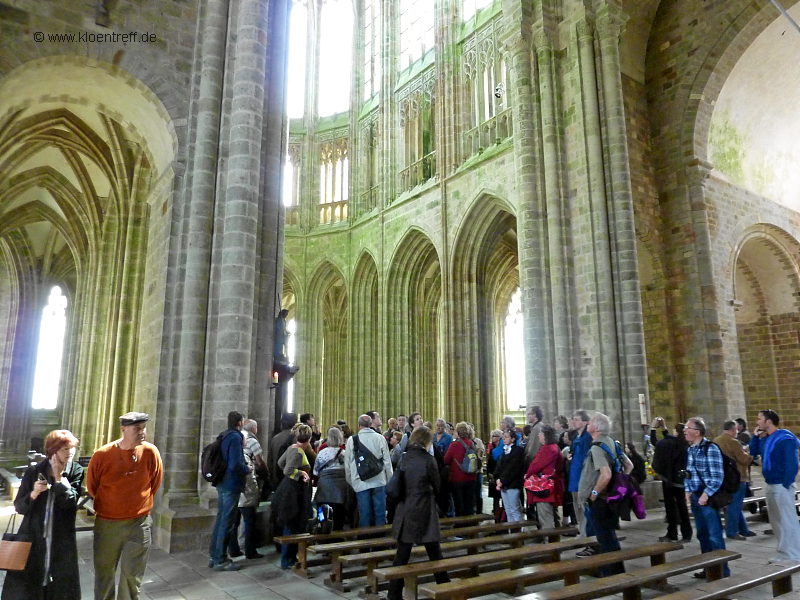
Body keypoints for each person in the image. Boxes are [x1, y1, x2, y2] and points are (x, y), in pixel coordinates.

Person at [87, 411, 163, 600]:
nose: (142, 432)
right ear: (123, 429)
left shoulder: (150, 452)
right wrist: (114, 505)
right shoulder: (102, 455)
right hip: (108, 524)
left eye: (143, 428)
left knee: (132, 576)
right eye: (137, 429)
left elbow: (155, 481)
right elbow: (92, 487)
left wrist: (138, 505)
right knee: (105, 574)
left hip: (138, 524)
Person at [2, 430, 82, 600]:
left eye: (72, 448)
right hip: (34, 533)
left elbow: (70, 503)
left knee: (60, 581)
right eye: (65, 449)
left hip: (61, 536)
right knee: (31, 580)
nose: (70, 453)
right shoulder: (34, 471)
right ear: (52, 451)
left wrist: (59, 479)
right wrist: (34, 493)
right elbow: (19, 507)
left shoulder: (76, 470)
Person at [386, 426, 451, 600]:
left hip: (406, 509)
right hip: (424, 510)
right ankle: (445, 588)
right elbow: (437, 486)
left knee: (402, 555)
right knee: (435, 553)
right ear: (426, 441)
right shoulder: (428, 460)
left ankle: (393, 594)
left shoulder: (404, 458)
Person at [577, 412, 632, 575]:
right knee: (609, 536)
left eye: (590, 422)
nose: (588, 424)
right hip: (610, 497)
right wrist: (619, 484)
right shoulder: (612, 443)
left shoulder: (597, 447)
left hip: (600, 500)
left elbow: (606, 474)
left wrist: (594, 492)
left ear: (596, 427)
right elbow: (629, 466)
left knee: (604, 537)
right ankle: (616, 570)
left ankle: (610, 574)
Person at [749, 409, 800, 564]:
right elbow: (753, 451)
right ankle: (783, 552)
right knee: (776, 521)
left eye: (759, 419)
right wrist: (755, 437)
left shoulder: (785, 439)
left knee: (787, 520)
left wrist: (785, 484)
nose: (757, 422)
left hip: (781, 485)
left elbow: (792, 463)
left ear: (768, 421)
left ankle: (794, 554)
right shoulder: (767, 439)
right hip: (771, 483)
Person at [684, 416, 729, 578]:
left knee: (714, 535)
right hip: (696, 496)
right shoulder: (691, 449)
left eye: (687, 428)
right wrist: (687, 491)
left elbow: (717, 476)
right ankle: (709, 568)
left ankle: (722, 571)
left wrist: (705, 494)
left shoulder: (711, 448)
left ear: (697, 432)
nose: (684, 431)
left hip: (708, 498)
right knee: (702, 534)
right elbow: (689, 473)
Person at [209, 411, 250, 571]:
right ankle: (220, 559)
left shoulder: (224, 435)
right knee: (227, 522)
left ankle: (214, 556)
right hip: (230, 484)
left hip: (222, 482)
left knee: (221, 520)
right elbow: (235, 464)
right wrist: (247, 468)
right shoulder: (235, 437)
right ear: (239, 422)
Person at [274, 423, 314, 569]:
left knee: (290, 525)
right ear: (309, 438)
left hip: (287, 489)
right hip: (293, 492)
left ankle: (289, 557)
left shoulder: (292, 448)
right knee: (292, 525)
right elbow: (288, 470)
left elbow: (280, 463)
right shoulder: (298, 453)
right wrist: (300, 473)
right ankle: (287, 559)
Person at [344, 414, 393, 527]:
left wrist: (351, 481)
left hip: (360, 481)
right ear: (371, 424)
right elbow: (387, 461)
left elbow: (348, 463)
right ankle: (380, 542)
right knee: (380, 514)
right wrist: (389, 479)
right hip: (379, 480)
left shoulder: (352, 440)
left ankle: (365, 541)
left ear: (358, 425)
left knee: (364, 514)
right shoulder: (380, 438)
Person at [229, 418, 265, 560]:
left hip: (235, 491)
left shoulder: (234, 452)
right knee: (250, 521)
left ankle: (234, 549)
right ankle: (250, 550)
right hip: (246, 493)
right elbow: (255, 469)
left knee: (234, 521)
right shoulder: (248, 450)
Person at [713, 420, 756, 540]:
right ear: (733, 430)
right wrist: (751, 456)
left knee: (736, 504)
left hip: (724, 478)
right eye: (736, 430)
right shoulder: (734, 442)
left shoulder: (716, 440)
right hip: (737, 477)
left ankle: (744, 529)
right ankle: (732, 532)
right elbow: (743, 459)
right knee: (734, 506)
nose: (737, 432)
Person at [651, 422, 692, 542]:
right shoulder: (685, 443)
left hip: (669, 479)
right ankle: (686, 534)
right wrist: (664, 429)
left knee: (670, 508)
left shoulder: (668, 443)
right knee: (682, 507)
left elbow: (656, 443)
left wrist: (653, 428)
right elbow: (668, 439)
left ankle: (672, 533)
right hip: (681, 480)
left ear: (676, 432)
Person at [525, 425, 564, 530]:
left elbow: (536, 465)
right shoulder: (555, 447)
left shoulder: (548, 449)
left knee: (545, 514)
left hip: (544, 486)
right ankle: (553, 538)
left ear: (546, 435)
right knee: (552, 513)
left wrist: (527, 475)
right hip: (552, 483)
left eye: (540, 433)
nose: (538, 435)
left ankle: (548, 541)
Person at [313, 426, 348, 531]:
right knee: (339, 512)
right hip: (340, 486)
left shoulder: (322, 453)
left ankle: (321, 527)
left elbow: (315, 471)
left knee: (321, 508)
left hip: (325, 485)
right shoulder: (344, 453)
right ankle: (337, 533)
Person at [567, 410, 592, 548]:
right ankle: (582, 533)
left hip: (583, 477)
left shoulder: (587, 437)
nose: (573, 421)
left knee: (584, 508)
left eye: (576, 419)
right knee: (578, 507)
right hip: (575, 477)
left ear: (585, 422)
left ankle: (587, 535)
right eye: (573, 419)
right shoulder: (577, 436)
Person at [444, 422, 478, 516]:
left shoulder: (454, 445)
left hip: (457, 479)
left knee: (459, 506)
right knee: (469, 505)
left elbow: (446, 460)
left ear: (457, 432)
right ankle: (471, 525)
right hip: (471, 478)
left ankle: (461, 526)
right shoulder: (472, 443)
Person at [494, 428, 525, 522]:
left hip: (513, 484)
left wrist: (502, 481)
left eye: (506, 437)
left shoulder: (518, 451)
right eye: (503, 437)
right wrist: (497, 478)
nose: (504, 439)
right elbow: (499, 466)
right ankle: (512, 531)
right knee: (508, 510)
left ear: (513, 439)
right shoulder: (504, 451)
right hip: (503, 484)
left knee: (515, 509)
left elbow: (513, 469)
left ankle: (519, 531)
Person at [268, 412, 297, 490]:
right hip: (290, 477)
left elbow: (270, 460)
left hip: (276, 476)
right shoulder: (296, 438)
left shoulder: (275, 438)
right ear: (294, 424)